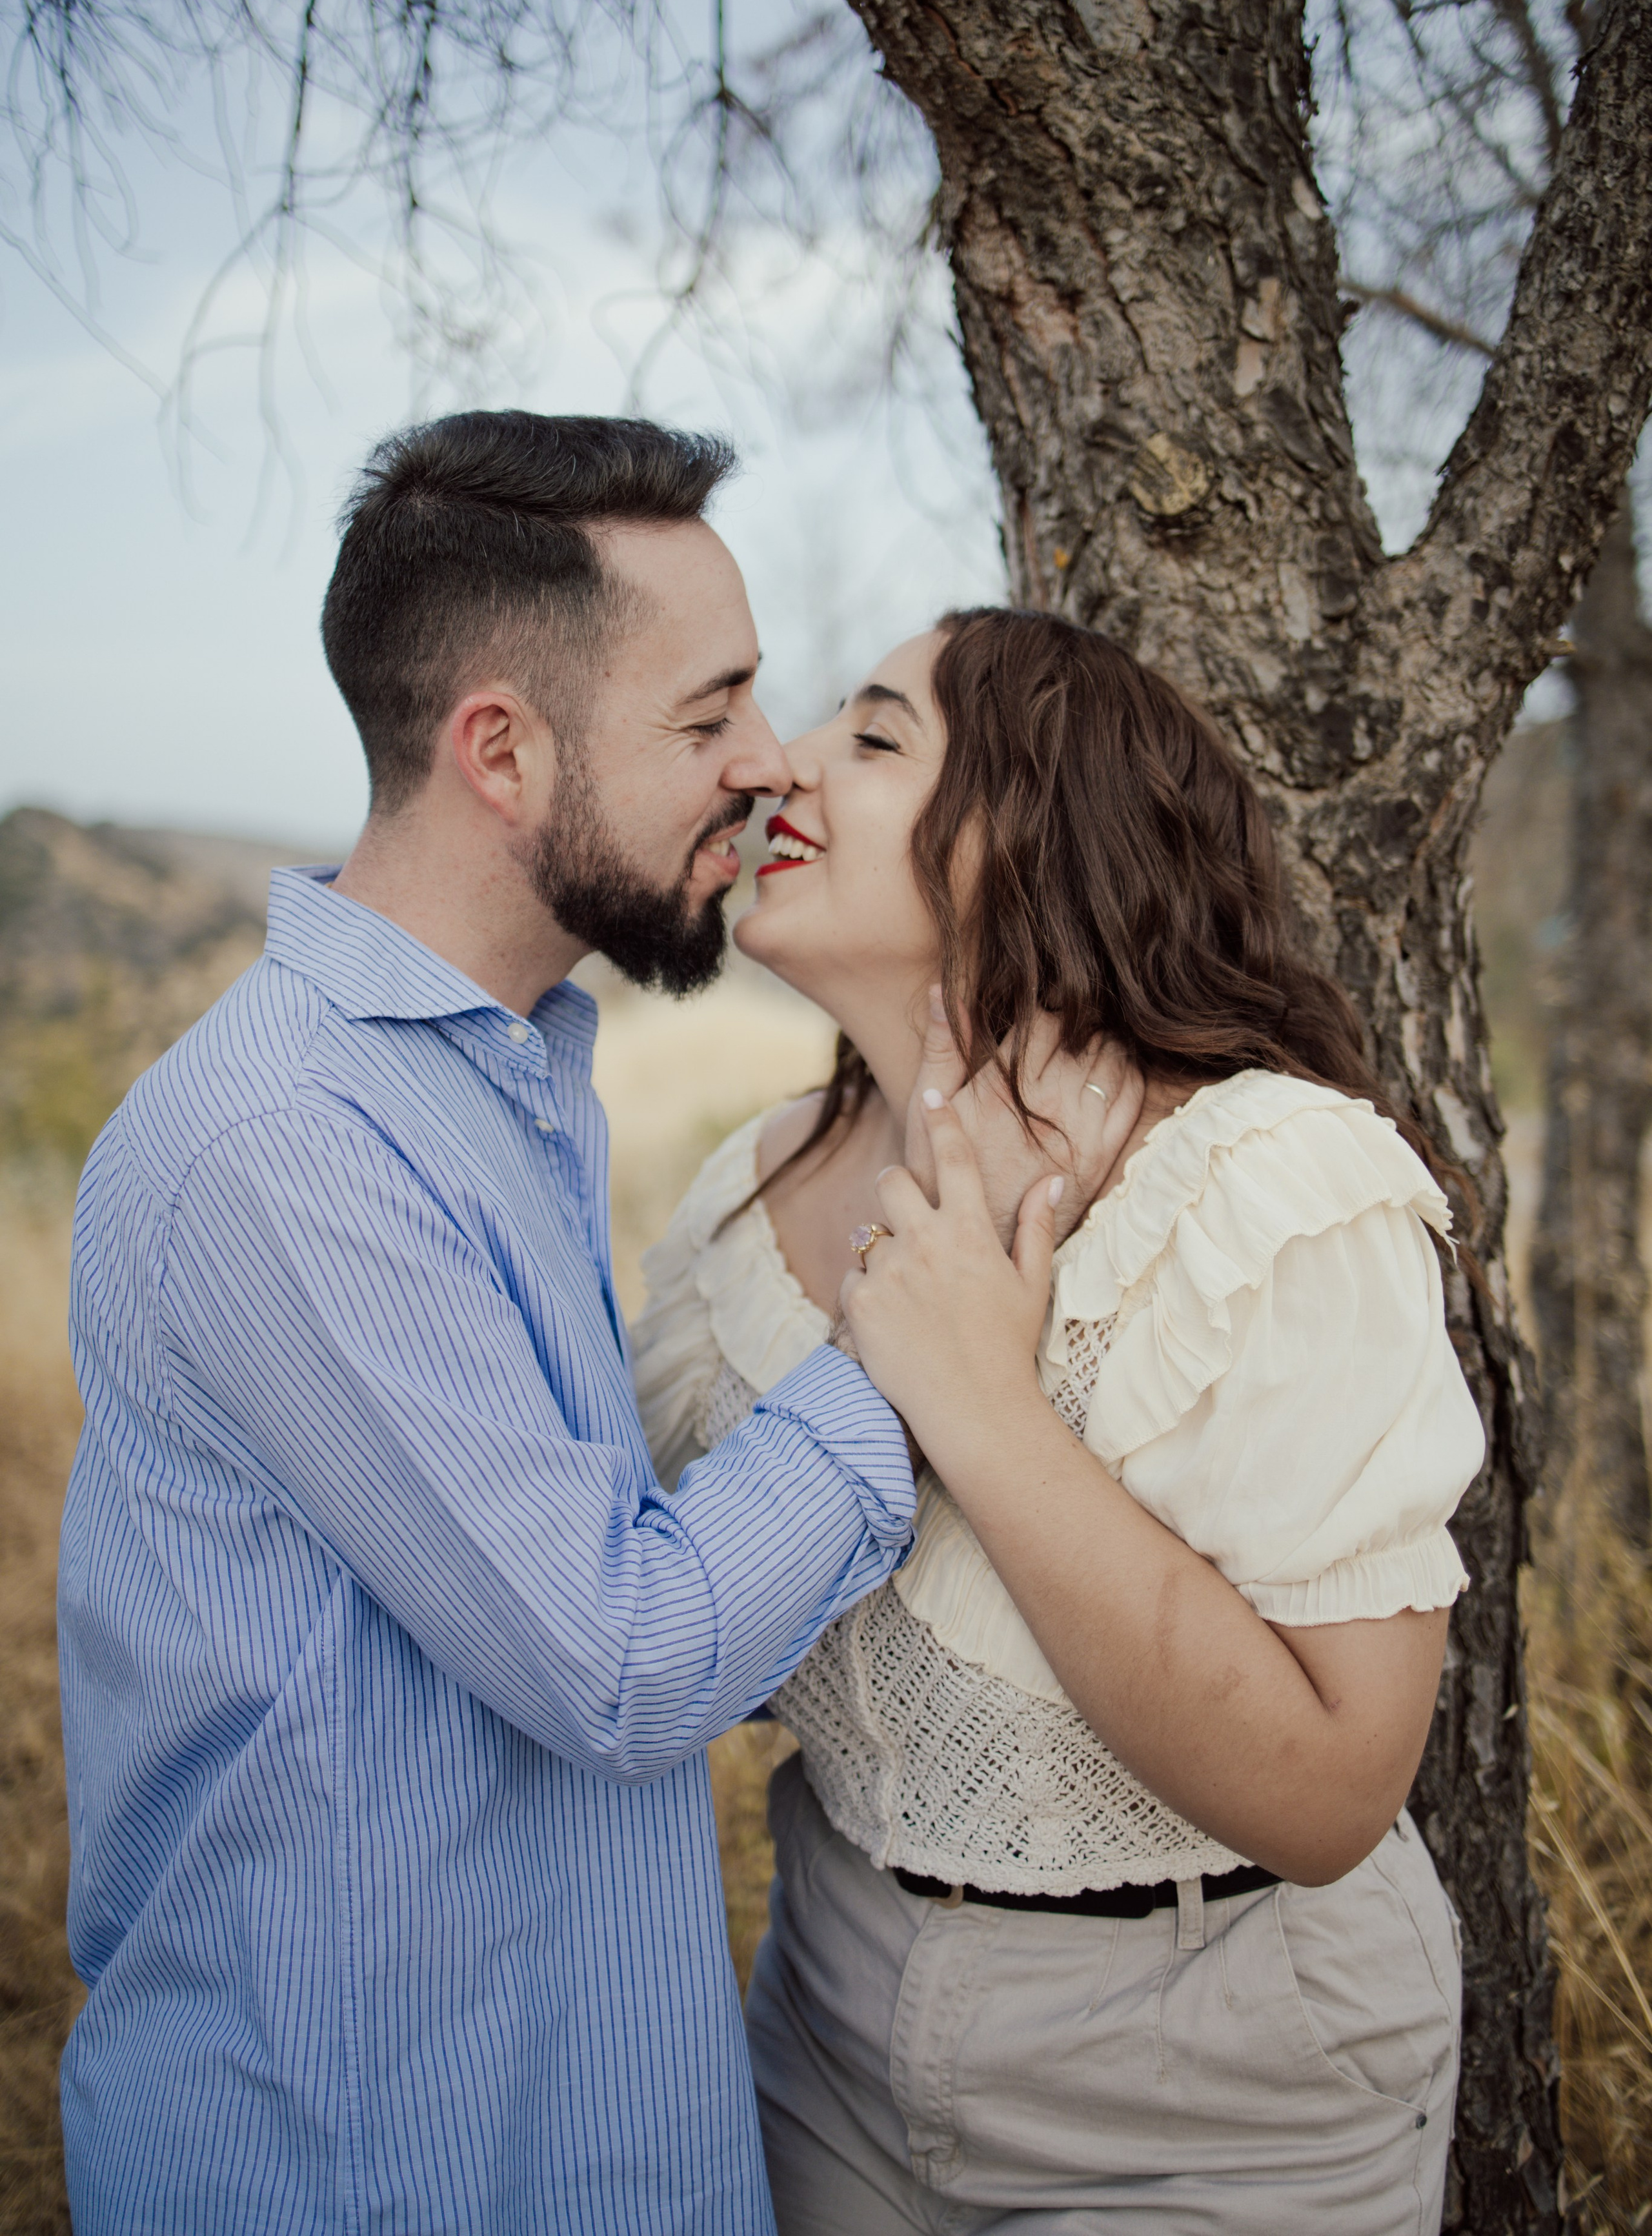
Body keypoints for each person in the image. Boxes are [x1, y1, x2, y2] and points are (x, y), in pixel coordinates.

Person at [59, 414, 1105, 2236]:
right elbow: (624, 1657)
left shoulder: (514, 1082)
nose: (768, 764)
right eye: (708, 717)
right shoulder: (287, 1150)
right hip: (364, 2168)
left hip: (571, 2131)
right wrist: (917, 1342)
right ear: (501, 752)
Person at [632, 607, 1486, 2235]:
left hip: (1212, 2082)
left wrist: (975, 1398)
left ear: (1035, 830)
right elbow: (663, 1631)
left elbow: (1330, 1792)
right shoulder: (745, 1198)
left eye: (872, 736)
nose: (779, 765)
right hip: (822, 2026)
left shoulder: (1254, 1187)